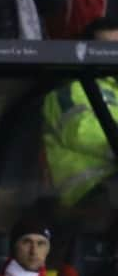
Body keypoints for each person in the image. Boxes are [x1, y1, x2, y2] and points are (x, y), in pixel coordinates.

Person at [42, 18, 118, 230]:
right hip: (86, 194)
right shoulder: (70, 89)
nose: (114, 55)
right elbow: (82, 132)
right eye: (106, 48)